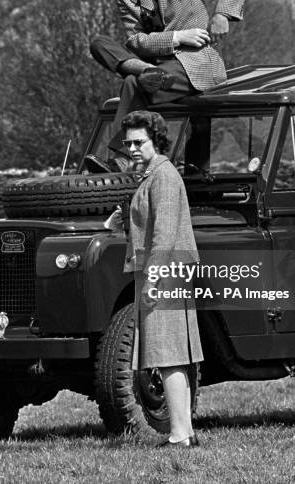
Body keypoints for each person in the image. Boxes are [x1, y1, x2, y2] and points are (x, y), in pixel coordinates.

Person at [85, 0, 246, 173]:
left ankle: (120, 157)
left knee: (131, 83)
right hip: (158, 65)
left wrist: (222, 14)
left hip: (196, 64)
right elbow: (136, 41)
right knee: (99, 43)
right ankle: (144, 71)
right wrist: (178, 37)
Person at [117, 110, 203, 447]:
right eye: (128, 143)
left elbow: (164, 235)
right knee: (168, 355)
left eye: (140, 142)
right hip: (162, 270)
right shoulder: (151, 175)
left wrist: (153, 279)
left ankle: (181, 433)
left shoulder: (163, 176)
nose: (133, 149)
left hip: (164, 270)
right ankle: (184, 432)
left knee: (167, 353)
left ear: (157, 140)